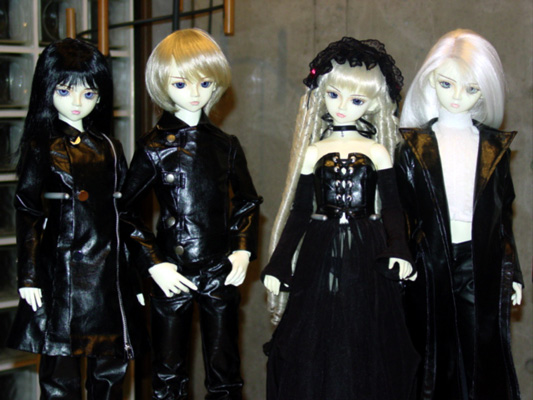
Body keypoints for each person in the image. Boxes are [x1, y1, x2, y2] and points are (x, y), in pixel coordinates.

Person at [261, 37, 419, 400]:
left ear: (373, 102)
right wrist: (280, 262)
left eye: (357, 100)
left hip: (368, 246)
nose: (343, 106)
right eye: (334, 95)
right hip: (321, 245)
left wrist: (399, 247)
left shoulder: (377, 151)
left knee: (366, 328)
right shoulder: (313, 151)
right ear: (322, 95)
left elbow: (392, 206)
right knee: (315, 329)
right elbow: (300, 211)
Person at [120, 28, 261, 400]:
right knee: (168, 373)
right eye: (181, 84)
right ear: (164, 85)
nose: (195, 93)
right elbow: (126, 210)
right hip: (173, 270)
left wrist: (242, 250)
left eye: (205, 83)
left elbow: (247, 200)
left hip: (218, 268)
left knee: (225, 369)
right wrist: (154, 264)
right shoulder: (154, 147)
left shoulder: (225, 146)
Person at [7, 38, 145, 400]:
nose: (77, 102)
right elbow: (28, 209)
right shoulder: (43, 146)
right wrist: (29, 274)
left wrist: (135, 278)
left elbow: (124, 216)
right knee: (60, 375)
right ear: (48, 90)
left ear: (100, 97)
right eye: (65, 91)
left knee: (110, 372)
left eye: (88, 93)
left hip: (106, 276)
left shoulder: (110, 147)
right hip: (63, 273)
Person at [395, 29, 523, 400]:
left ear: (485, 92)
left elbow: (503, 219)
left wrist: (513, 272)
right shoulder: (413, 148)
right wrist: (402, 259)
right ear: (430, 81)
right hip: (428, 263)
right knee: (433, 357)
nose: (456, 97)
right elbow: (401, 214)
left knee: (482, 353)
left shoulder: (493, 148)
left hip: (480, 261)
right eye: (446, 84)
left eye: (471, 89)